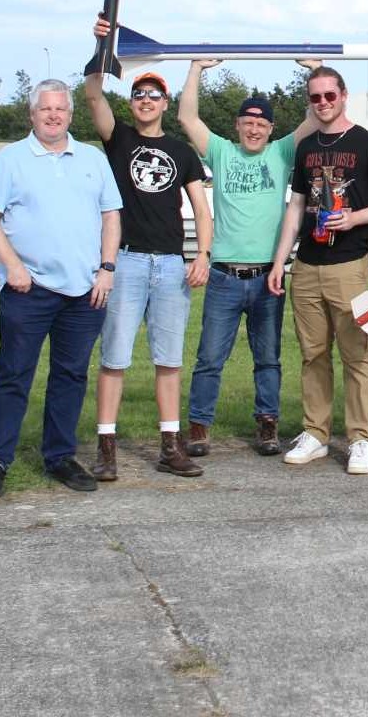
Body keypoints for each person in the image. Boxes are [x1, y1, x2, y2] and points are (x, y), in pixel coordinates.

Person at [0, 80, 122, 497]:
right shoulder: (11, 160)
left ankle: (59, 456)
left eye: (60, 109)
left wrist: (107, 268)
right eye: (45, 110)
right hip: (28, 289)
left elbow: (111, 215)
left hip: (84, 291)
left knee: (70, 376)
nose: (53, 115)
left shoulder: (92, 158)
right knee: (13, 375)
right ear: (32, 115)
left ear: (70, 115)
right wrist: (13, 266)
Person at [82, 33, 213, 482]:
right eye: (138, 94)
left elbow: (200, 206)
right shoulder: (117, 139)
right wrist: (99, 46)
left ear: (164, 102)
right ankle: (106, 447)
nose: (145, 100)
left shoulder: (180, 150)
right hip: (127, 261)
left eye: (153, 95)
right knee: (115, 357)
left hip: (171, 265)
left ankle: (170, 446)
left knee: (169, 359)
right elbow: (94, 92)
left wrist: (203, 255)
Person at [174, 57, 320, 459]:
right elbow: (187, 117)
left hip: (266, 277)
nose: (254, 129)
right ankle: (200, 427)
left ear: (270, 129)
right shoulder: (220, 152)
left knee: (268, 358)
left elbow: (314, 118)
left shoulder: (282, 152)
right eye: (248, 122)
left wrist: (315, 70)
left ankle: (267, 424)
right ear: (238, 125)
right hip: (223, 276)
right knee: (209, 358)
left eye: (262, 124)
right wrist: (196, 69)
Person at [267, 67, 368, 476]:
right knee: (313, 355)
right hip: (307, 263)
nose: (322, 103)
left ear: (343, 95)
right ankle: (316, 434)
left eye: (329, 95)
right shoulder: (306, 147)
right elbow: (296, 205)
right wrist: (280, 260)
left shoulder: (367, 144)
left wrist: (355, 218)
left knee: (357, 354)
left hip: (350, 264)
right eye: (315, 97)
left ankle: (360, 438)